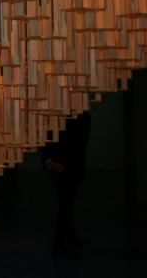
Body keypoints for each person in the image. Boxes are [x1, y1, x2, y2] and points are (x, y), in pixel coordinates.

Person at [41, 110, 92, 258]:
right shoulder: (76, 117)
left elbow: (77, 144)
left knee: (66, 205)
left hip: (68, 167)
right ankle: (59, 245)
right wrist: (50, 162)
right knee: (65, 206)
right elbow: (49, 140)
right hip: (63, 167)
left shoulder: (81, 117)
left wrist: (51, 162)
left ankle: (71, 238)